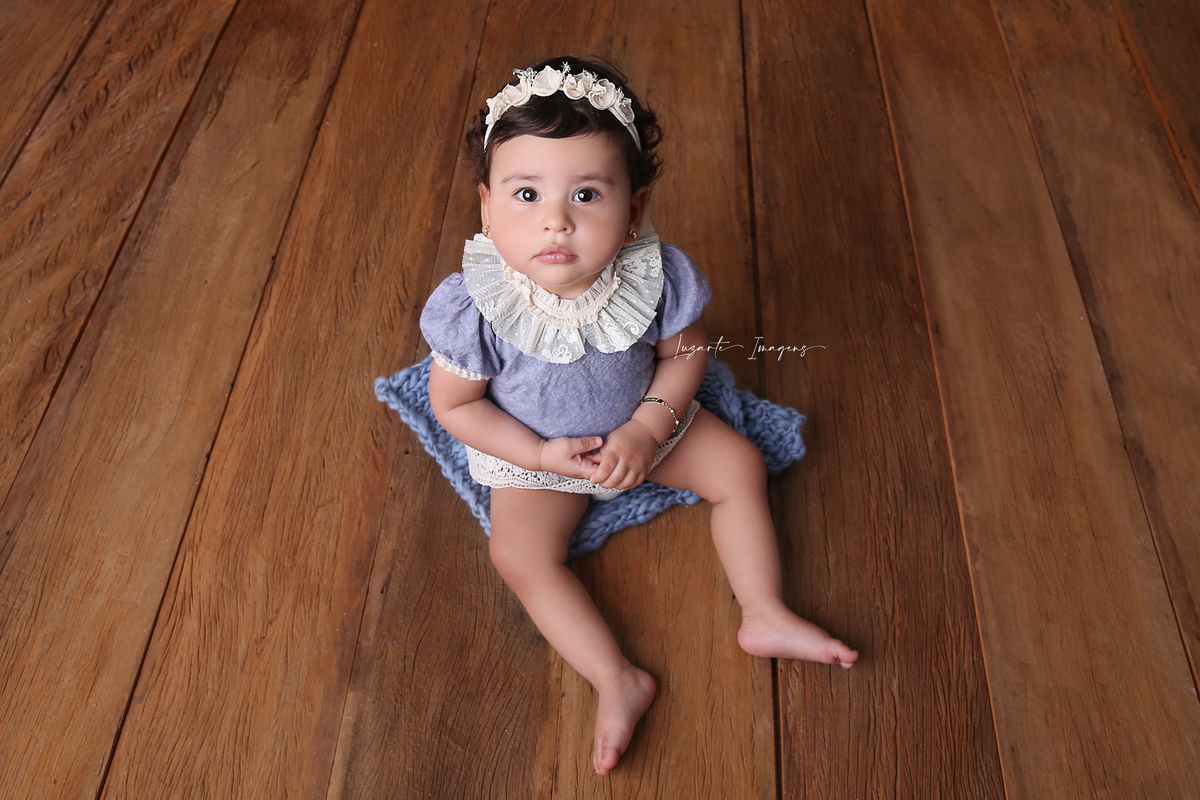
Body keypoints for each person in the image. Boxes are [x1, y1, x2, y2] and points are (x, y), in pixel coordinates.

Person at [421, 55, 857, 776]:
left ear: (634, 210)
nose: (556, 219)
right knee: (519, 556)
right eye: (526, 193)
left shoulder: (652, 279)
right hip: (539, 452)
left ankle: (765, 611)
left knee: (740, 466)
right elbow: (456, 405)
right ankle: (615, 677)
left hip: (645, 423)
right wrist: (538, 456)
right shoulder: (478, 308)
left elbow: (686, 355)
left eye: (586, 193)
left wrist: (648, 428)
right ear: (487, 208)